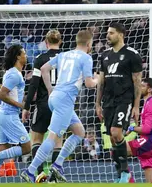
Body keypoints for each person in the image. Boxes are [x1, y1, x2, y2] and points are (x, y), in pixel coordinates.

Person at [21, 30, 98, 183]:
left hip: (55, 97)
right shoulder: (86, 58)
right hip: (65, 100)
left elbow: (44, 69)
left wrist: (50, 89)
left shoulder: (64, 55)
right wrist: (98, 79)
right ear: (89, 44)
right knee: (52, 138)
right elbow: (89, 84)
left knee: (79, 132)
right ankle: (30, 171)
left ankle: (57, 165)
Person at [96, 22, 142, 183]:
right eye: (107, 33)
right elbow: (101, 82)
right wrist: (97, 104)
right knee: (113, 137)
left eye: (111, 33)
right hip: (108, 102)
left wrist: (136, 106)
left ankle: (125, 171)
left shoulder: (132, 54)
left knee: (117, 132)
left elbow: (137, 82)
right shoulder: (104, 55)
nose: (108, 36)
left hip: (124, 100)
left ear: (121, 34)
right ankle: (119, 174)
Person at [0, 45, 31, 183]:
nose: (26, 55)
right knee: (27, 147)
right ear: (17, 56)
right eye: (24, 53)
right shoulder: (14, 74)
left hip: (3, 115)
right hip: (8, 115)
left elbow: (11, 94)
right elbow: (1, 95)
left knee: (4, 152)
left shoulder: (13, 72)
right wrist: (20, 106)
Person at [21, 30, 63, 181]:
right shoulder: (66, 58)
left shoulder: (40, 58)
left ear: (46, 42)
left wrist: (26, 107)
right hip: (60, 105)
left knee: (36, 138)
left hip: (44, 104)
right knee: (58, 140)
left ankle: (39, 174)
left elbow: (33, 85)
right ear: (60, 41)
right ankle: (55, 176)